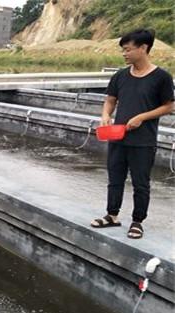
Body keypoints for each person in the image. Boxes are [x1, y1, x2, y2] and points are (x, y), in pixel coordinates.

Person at [90, 29, 174, 239]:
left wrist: (142, 117)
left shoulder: (161, 77)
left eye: (128, 49)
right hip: (118, 136)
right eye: (123, 50)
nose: (124, 54)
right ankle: (112, 215)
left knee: (140, 182)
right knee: (115, 178)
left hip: (143, 141)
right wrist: (105, 115)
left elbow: (169, 106)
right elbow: (110, 100)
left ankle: (137, 221)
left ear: (143, 48)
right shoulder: (120, 75)